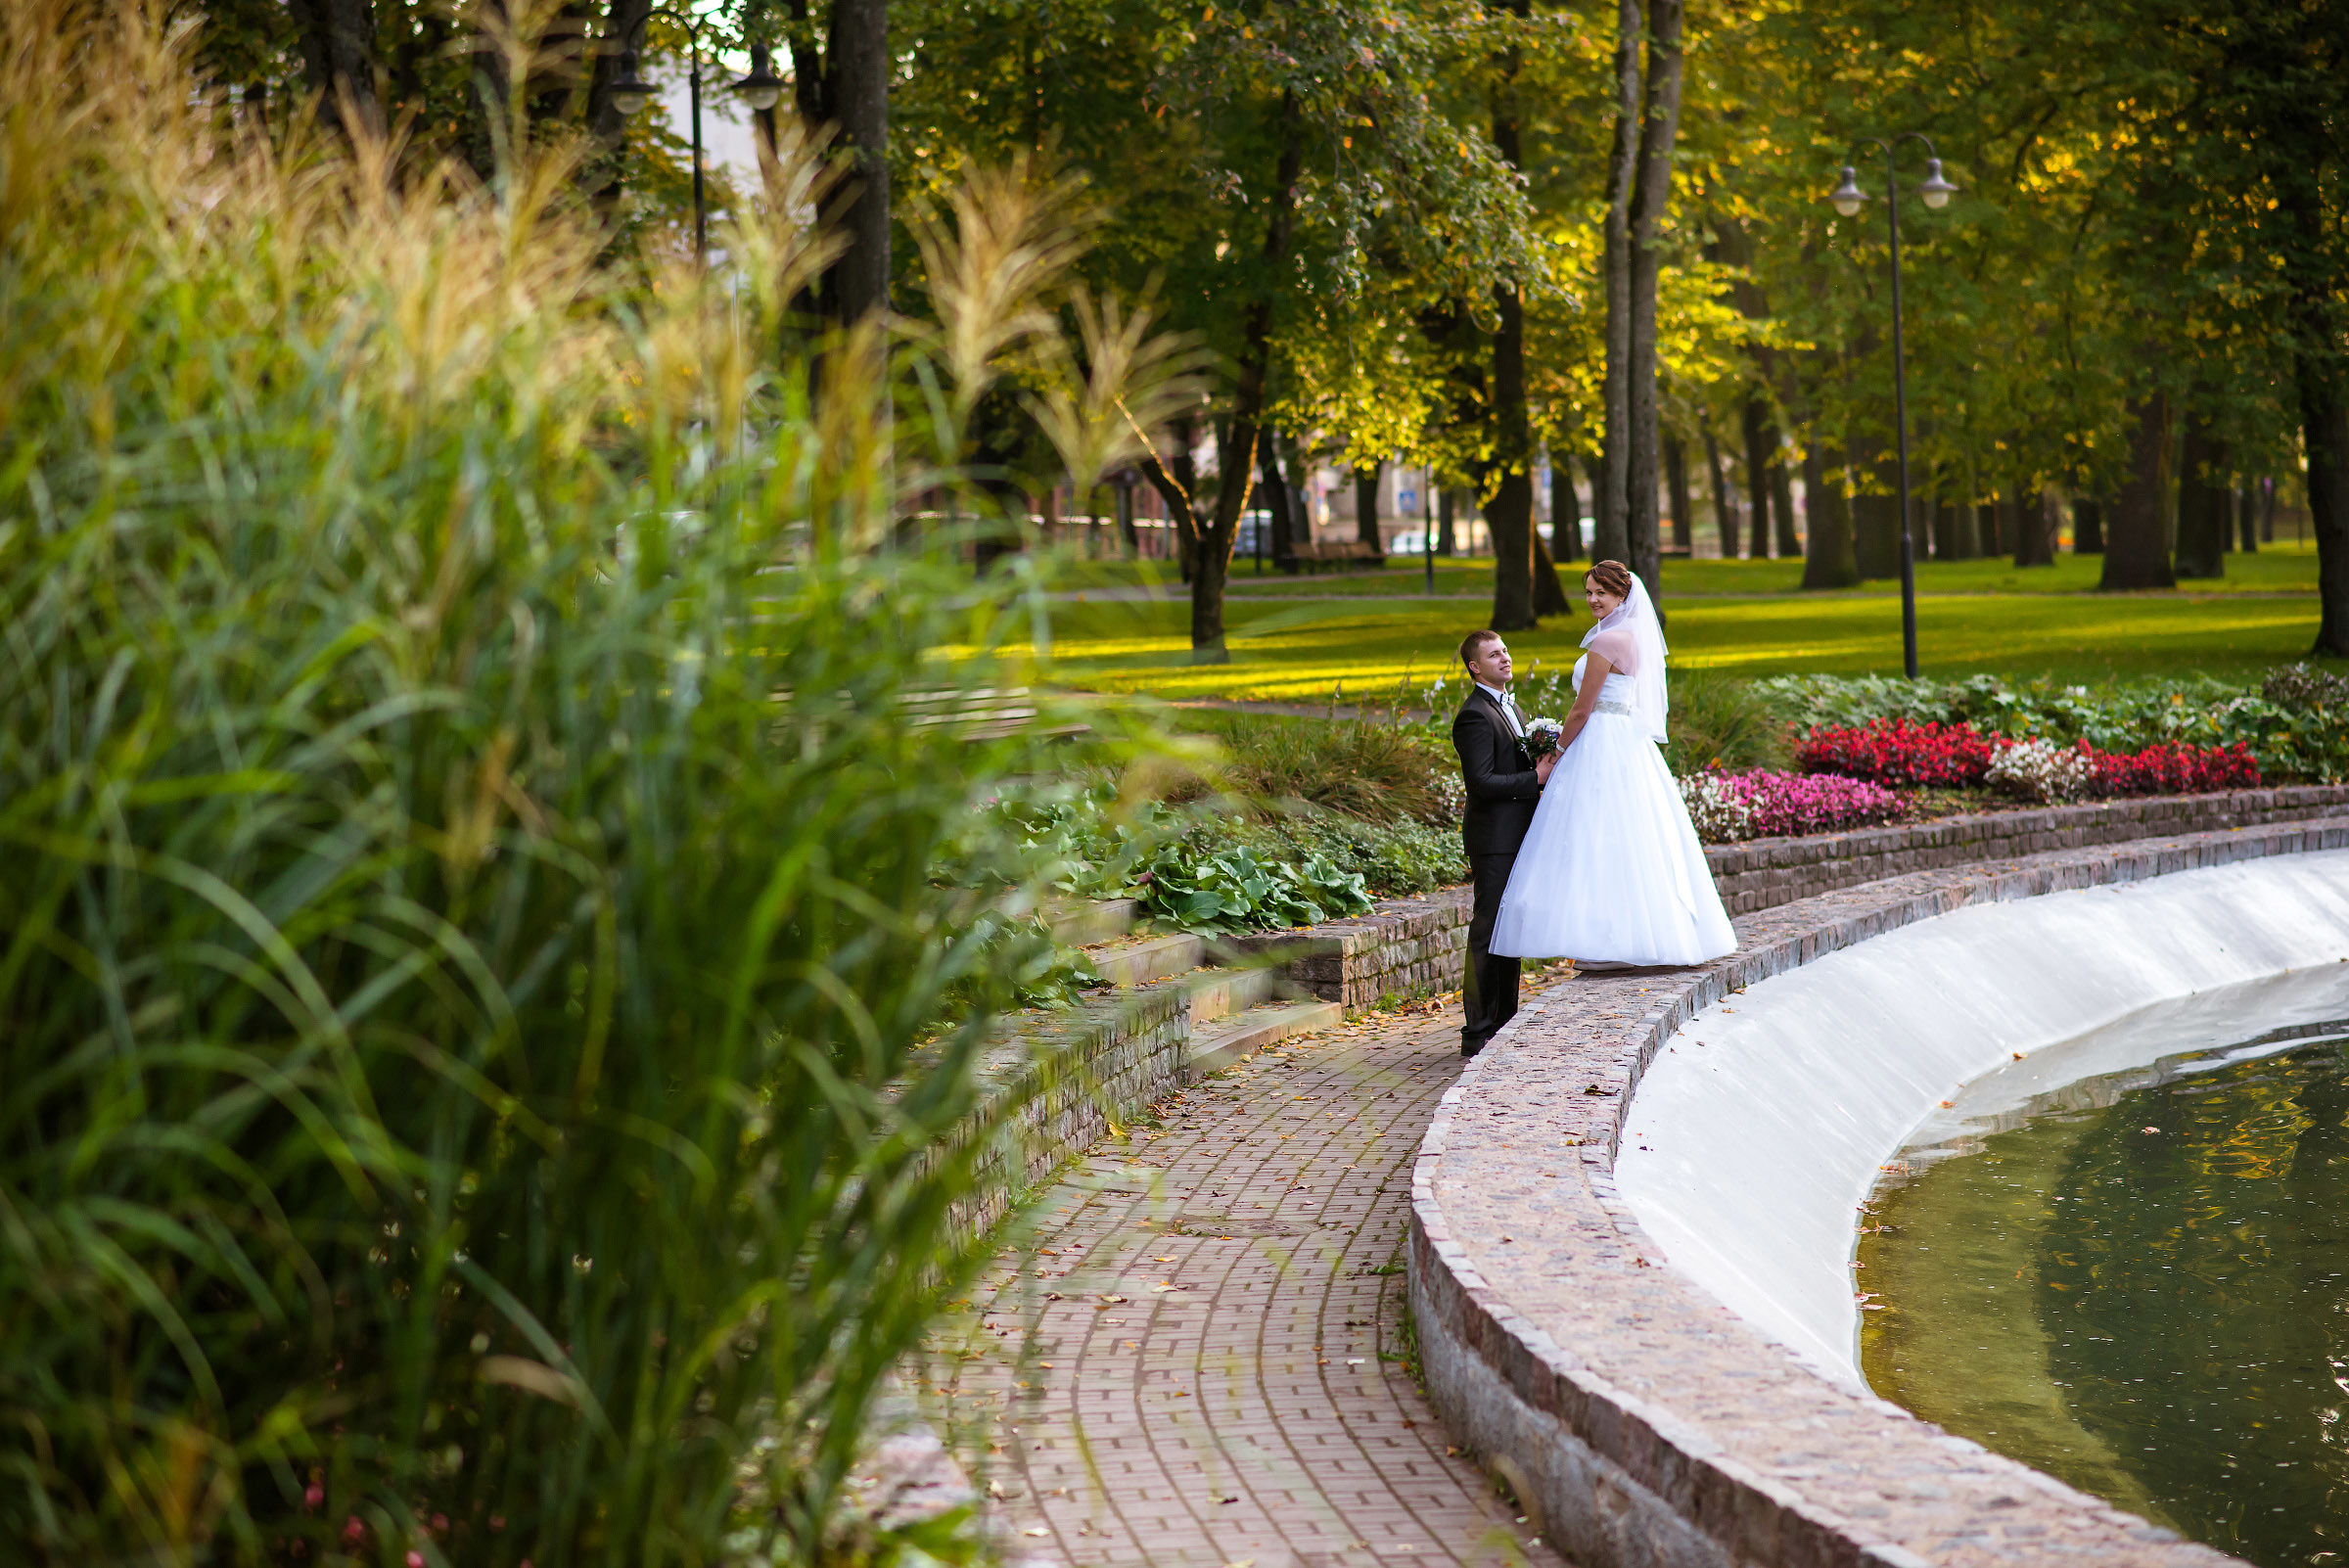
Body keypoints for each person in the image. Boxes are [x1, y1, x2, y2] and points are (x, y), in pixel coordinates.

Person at [1490, 560, 1736, 968]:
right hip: (1628, 740)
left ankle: (1606, 943)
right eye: (1588, 592)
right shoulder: (1635, 638)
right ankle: (1633, 940)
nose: (1592, 599)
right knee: (1629, 835)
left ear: (1622, 595)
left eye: (1601, 593)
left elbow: (1582, 709)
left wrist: (1557, 750)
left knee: (1594, 834)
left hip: (1600, 739)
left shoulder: (1606, 642)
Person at [1450, 627, 1556, 1058]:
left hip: (1519, 835)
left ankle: (1504, 1022)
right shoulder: (1474, 715)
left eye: (1506, 651)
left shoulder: (1512, 706)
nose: (1505, 658)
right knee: (1488, 931)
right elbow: (1481, 782)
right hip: (1494, 840)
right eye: (1494, 655)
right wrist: (1535, 778)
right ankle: (1477, 1030)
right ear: (1475, 667)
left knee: (1509, 930)